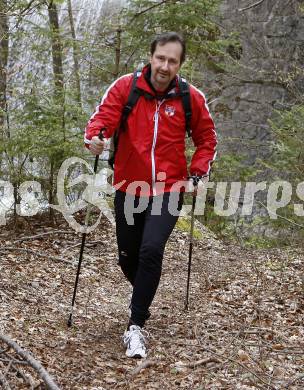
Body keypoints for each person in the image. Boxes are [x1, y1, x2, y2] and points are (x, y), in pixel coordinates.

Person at [84, 32, 217, 359]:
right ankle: (146, 289)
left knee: (151, 249)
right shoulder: (125, 88)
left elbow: (207, 140)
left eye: (172, 61)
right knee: (128, 257)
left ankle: (136, 325)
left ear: (179, 64)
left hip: (169, 188)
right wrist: (96, 139)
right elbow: (102, 122)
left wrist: (198, 172)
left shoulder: (190, 97)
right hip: (129, 186)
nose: (165, 66)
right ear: (151, 57)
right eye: (161, 58)